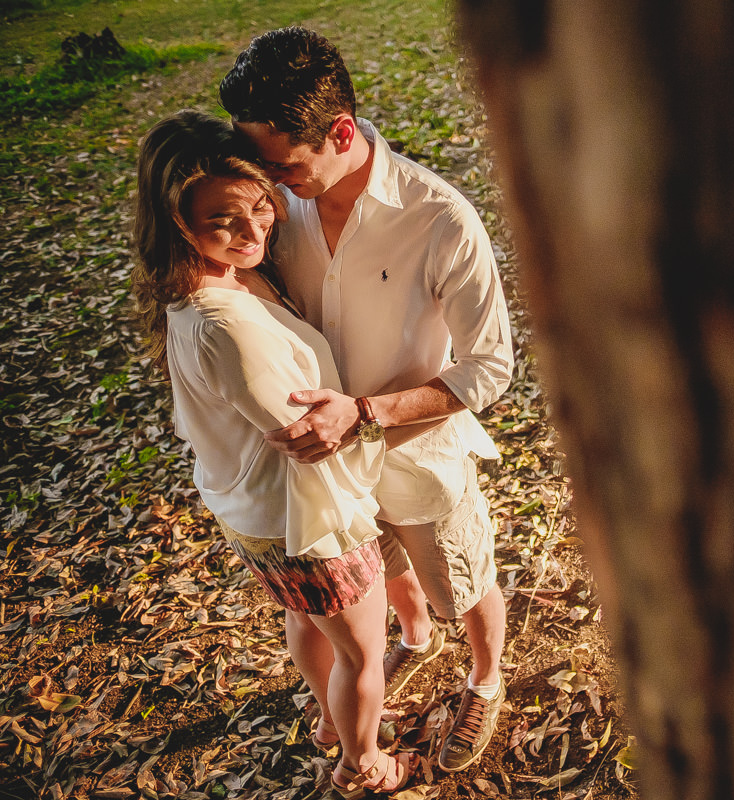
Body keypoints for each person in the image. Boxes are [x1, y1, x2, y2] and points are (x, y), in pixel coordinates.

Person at [220, 27, 515, 772]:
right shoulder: (274, 207)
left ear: (342, 133)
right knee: (387, 579)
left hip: (417, 457)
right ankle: (415, 642)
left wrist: (366, 414)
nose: (267, 182)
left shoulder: (441, 219)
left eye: (283, 164)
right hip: (326, 479)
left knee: (463, 584)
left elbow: (490, 369)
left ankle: (485, 679)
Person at [131, 109, 420, 797]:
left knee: (309, 620)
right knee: (363, 652)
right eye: (222, 220)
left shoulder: (217, 280)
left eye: (259, 205)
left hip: (261, 512)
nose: (253, 230)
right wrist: (395, 420)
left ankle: (330, 720)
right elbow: (313, 436)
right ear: (176, 222)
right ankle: (360, 764)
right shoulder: (225, 326)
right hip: (309, 519)